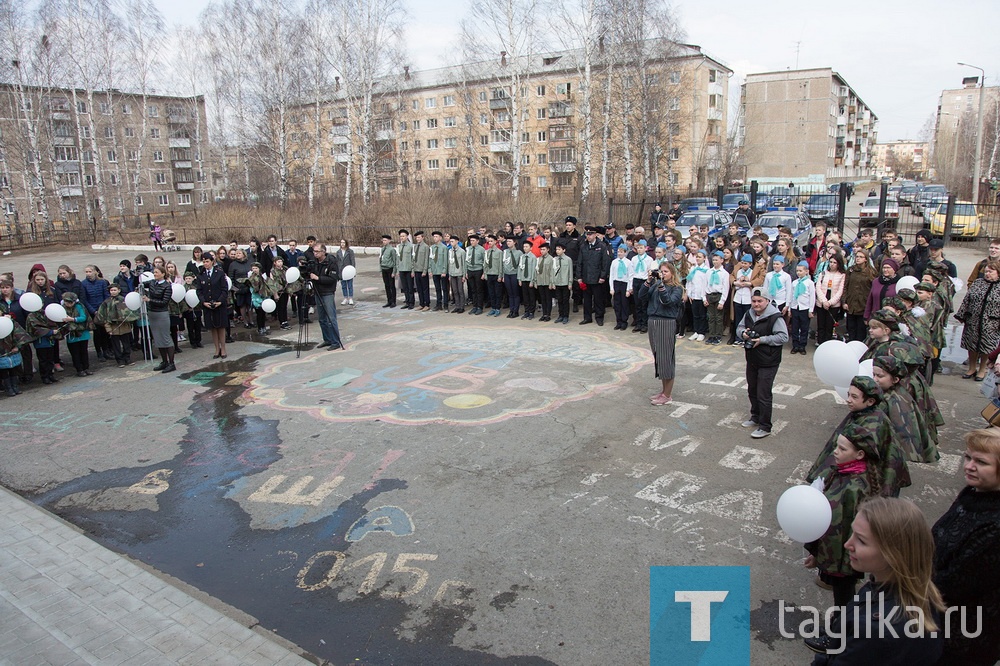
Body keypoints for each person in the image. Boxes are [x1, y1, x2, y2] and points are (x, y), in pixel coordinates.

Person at [806, 497, 945, 664]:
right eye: (852, 534)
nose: (848, 544)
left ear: (893, 554)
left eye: (862, 540)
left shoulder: (874, 632)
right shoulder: (918, 591)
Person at [932, 428, 1000, 666]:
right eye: (968, 457)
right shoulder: (973, 493)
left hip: (965, 636)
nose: (969, 466)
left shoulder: (995, 525)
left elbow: (957, 583)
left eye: (981, 462)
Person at [804, 422, 881, 609]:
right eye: (836, 447)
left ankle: (839, 635)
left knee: (844, 599)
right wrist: (816, 553)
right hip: (835, 556)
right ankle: (839, 631)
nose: (835, 452)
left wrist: (846, 563)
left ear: (860, 454)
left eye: (842, 448)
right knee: (842, 597)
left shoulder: (855, 488)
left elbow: (844, 528)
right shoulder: (841, 473)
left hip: (843, 560)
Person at [736, 288, 788, 439]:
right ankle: (755, 417)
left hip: (769, 361)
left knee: (763, 393)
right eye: (754, 301)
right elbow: (739, 328)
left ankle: (765, 426)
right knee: (752, 389)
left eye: (760, 301)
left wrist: (763, 340)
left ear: (767, 301)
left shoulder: (775, 317)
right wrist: (743, 334)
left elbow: (783, 337)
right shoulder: (749, 313)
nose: (756, 304)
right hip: (752, 359)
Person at [639, 262, 683, 406]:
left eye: (665, 272)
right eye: (661, 271)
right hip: (653, 321)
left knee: (666, 358)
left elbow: (667, 302)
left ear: (672, 273)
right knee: (658, 356)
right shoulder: (655, 286)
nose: (662, 274)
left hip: (666, 323)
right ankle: (663, 391)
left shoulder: (677, 288)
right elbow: (641, 296)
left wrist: (661, 286)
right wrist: (648, 281)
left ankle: (668, 395)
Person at [954, 259, 1000, 381]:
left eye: (990, 271)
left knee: (987, 347)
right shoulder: (978, 283)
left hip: (991, 323)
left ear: (998, 272)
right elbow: (967, 299)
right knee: (971, 345)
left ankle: (982, 369)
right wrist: (961, 315)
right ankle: (972, 368)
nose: (987, 274)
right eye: (986, 271)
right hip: (973, 320)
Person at [309, 244, 343, 350]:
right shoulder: (314, 262)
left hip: (327, 292)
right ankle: (327, 339)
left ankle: (335, 341)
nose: (315, 253)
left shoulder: (331, 262)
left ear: (323, 252)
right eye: (314, 251)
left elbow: (333, 279)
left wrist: (318, 278)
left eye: (317, 251)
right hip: (317, 292)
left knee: (331, 318)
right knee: (322, 318)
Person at [197, 252, 229, 359]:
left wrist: (220, 301)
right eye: (204, 262)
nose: (205, 264)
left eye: (207, 261)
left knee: (221, 326)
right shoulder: (201, 275)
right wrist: (203, 302)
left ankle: (223, 348)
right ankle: (216, 349)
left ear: (212, 262)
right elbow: (199, 291)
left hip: (219, 304)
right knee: (212, 328)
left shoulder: (219, 273)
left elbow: (224, 289)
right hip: (208, 305)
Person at [576, 226, 610, 326]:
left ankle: (599, 318)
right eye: (587, 234)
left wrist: (603, 276)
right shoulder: (583, 246)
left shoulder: (602, 246)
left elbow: (605, 263)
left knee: (598, 300)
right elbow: (579, 262)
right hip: (586, 277)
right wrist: (579, 277)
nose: (589, 236)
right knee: (586, 300)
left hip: (597, 278)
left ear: (595, 235)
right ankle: (587, 317)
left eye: (591, 234)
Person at [144, 266, 175, 373]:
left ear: (163, 274)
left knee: (165, 337)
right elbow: (140, 283)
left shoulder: (167, 286)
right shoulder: (152, 283)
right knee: (158, 338)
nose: (155, 274)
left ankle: (171, 363)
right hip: (152, 313)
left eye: (157, 272)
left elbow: (164, 302)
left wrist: (149, 300)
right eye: (154, 272)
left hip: (162, 314)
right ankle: (164, 361)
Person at [843, 249, 877, 343]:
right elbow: (846, 286)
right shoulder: (851, 270)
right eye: (857, 256)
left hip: (863, 305)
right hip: (851, 305)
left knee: (861, 331)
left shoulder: (871, 272)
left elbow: (873, 289)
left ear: (866, 259)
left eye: (861, 257)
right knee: (851, 328)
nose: (858, 259)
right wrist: (844, 301)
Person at [815, 253, 846, 344]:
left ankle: (827, 342)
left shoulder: (842, 275)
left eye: (834, 262)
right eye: (830, 262)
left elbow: (840, 291)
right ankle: (820, 341)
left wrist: (830, 302)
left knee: (829, 325)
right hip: (821, 302)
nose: (832, 264)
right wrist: (824, 301)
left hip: (833, 303)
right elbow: (818, 287)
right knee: (821, 324)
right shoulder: (823, 273)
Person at [789, 261, 816, 354]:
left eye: (800, 271)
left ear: (806, 271)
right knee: (795, 328)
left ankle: (802, 345)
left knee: (804, 328)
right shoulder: (794, 283)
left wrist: (811, 310)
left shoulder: (810, 283)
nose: (798, 273)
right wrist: (790, 308)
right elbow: (791, 296)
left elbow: (812, 297)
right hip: (795, 307)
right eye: (797, 271)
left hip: (805, 308)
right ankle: (795, 345)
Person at [609, 245, 634, 330]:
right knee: (617, 304)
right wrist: (611, 288)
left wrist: (628, 289)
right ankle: (618, 321)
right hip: (616, 283)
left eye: (622, 252)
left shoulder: (628, 262)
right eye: (618, 252)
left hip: (624, 283)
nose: (619, 253)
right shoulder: (614, 262)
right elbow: (611, 275)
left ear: (625, 253)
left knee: (624, 304)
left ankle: (624, 321)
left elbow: (630, 276)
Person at [550, 243, 574, 324]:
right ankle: (560, 315)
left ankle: (566, 316)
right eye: (556, 249)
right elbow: (552, 271)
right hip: (557, 282)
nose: (557, 251)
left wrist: (570, 282)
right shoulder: (554, 259)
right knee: (559, 300)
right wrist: (552, 282)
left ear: (564, 250)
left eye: (559, 249)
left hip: (565, 282)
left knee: (565, 300)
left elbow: (570, 271)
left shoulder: (568, 259)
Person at [428, 231, 449, 311]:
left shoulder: (444, 248)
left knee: (444, 288)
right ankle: (438, 304)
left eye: (436, 236)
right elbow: (430, 259)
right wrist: (430, 269)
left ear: (440, 238)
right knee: (437, 288)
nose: (435, 238)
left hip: (442, 271)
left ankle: (446, 305)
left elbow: (445, 260)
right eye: (434, 236)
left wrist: (444, 271)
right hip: (435, 270)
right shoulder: (432, 247)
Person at [412, 231, 431, 311]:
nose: (418, 239)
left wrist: (425, 270)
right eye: (416, 237)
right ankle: (421, 303)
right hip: (416, 270)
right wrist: (413, 270)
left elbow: (427, 259)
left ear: (423, 237)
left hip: (423, 270)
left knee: (425, 288)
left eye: (419, 237)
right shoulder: (415, 246)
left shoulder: (426, 247)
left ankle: (427, 304)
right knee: (419, 288)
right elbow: (413, 259)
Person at [447, 235, 467, 313]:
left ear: (457, 241)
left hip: (459, 273)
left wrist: (464, 275)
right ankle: (457, 306)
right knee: (454, 291)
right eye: (450, 241)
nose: (451, 243)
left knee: (460, 290)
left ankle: (462, 306)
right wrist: (449, 274)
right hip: (452, 273)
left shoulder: (462, 251)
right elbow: (449, 263)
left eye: (452, 241)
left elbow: (464, 264)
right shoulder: (450, 251)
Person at [377, 234, 398, 308]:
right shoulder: (382, 249)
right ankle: (389, 300)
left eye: (385, 240)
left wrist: (394, 271)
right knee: (387, 286)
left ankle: (393, 301)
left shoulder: (392, 250)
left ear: (389, 241)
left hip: (390, 269)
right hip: (384, 269)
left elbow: (395, 261)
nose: (384, 242)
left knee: (392, 285)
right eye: (383, 240)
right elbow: (380, 260)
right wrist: (380, 270)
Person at [336, 239, 356, 306]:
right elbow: (337, 262)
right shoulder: (338, 252)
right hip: (341, 271)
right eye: (341, 242)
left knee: (350, 285)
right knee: (343, 285)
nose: (342, 244)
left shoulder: (350, 252)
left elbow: (353, 261)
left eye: (343, 243)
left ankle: (350, 297)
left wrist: (353, 270)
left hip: (348, 270)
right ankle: (345, 297)